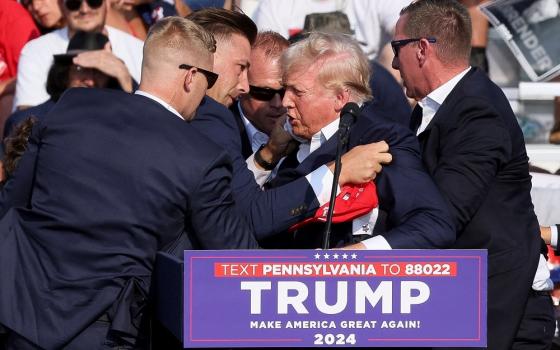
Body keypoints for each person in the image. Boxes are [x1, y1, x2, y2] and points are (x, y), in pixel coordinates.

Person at [0, 16, 259, 349]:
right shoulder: (200, 156)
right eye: (209, 80)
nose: (207, 93)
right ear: (191, 77)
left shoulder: (70, 106)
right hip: (103, 332)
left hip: (22, 315)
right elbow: (239, 258)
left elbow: (12, 203)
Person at [391, 1, 554, 348]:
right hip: (466, 303)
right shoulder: (437, 107)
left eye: (396, 48)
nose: (392, 63)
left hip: (501, 312)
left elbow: (443, 214)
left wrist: (365, 253)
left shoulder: (476, 110)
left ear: (421, 49)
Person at [188, 8, 392, 242]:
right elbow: (252, 215)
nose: (281, 103)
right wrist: (338, 173)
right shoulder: (215, 121)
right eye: (262, 92)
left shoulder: (362, 134)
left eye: (290, 90)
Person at [263, 32, 454, 249]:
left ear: (340, 98)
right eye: (284, 88)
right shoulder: (285, 142)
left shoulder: (380, 142)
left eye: (297, 92)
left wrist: (355, 257)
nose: (284, 101)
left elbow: (433, 224)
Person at [13, 0, 143, 110]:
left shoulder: (139, 49)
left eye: (93, 1)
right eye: (74, 3)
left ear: (107, 3)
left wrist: (125, 79)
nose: (84, 9)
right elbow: (26, 122)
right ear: (62, 6)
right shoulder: (35, 51)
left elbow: (152, 118)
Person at [3, 30, 131, 140]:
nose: (90, 81)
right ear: (65, 72)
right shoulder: (27, 122)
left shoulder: (118, 122)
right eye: (82, 69)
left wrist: (124, 78)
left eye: (99, 72)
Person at [231, 30, 289, 159]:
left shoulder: (307, 131)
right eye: (264, 93)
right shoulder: (215, 129)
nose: (278, 104)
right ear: (241, 84)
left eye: (286, 91)